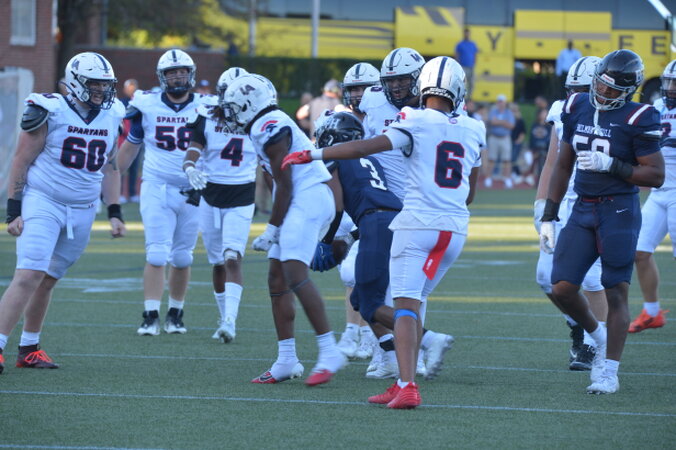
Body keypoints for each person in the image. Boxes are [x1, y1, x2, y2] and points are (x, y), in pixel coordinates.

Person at [283, 56, 484, 409]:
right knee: (411, 302)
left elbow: (365, 146)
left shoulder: (413, 119)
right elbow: (470, 192)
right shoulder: (473, 128)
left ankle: (406, 384)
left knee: (402, 307)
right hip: (455, 230)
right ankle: (404, 370)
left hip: (416, 223)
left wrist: (313, 155)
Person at [540, 49, 664, 394]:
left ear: (628, 91)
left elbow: (655, 175)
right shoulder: (576, 105)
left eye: (612, 89)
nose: (603, 92)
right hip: (583, 207)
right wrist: (549, 214)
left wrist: (613, 165)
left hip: (618, 211)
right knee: (561, 287)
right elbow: (562, 164)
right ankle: (599, 336)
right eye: (600, 84)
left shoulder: (640, 116)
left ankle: (609, 371)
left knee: (616, 291)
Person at [0, 52, 126, 373]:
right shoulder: (50, 109)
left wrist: (114, 210)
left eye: (105, 84)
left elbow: (110, 166)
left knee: (48, 279)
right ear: (75, 82)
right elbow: (21, 160)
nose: (102, 90)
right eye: (94, 84)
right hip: (43, 200)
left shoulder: (113, 113)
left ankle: (29, 348)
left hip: (84, 208)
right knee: (29, 274)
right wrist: (14, 210)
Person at [220, 73, 347, 386]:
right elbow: (276, 179)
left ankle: (329, 350)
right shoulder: (263, 126)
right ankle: (286, 359)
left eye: (234, 108)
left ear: (248, 105)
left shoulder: (269, 125)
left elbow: (287, 183)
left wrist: (272, 227)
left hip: (308, 196)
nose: (231, 115)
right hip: (299, 198)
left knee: (294, 273)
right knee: (276, 278)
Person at [117, 49, 211, 336]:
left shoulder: (207, 106)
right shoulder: (147, 104)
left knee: (182, 257)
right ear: (162, 77)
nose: (178, 77)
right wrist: (110, 179)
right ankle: (150, 315)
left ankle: (175, 313)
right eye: (172, 73)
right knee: (157, 254)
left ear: (191, 75)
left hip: (194, 190)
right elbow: (131, 146)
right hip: (157, 186)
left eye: (182, 72)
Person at [535, 56, 608, 371]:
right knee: (545, 277)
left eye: (581, 90)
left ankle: (594, 346)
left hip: (598, 202)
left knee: (591, 278)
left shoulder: (614, 115)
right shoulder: (561, 110)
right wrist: (541, 204)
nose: (574, 96)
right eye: (571, 90)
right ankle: (579, 323)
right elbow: (552, 162)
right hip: (563, 203)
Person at [182, 67, 256, 343]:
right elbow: (194, 148)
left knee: (232, 256)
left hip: (242, 195)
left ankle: (230, 321)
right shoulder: (207, 113)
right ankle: (223, 316)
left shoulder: (258, 119)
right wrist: (189, 167)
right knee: (216, 262)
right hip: (210, 195)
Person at [630, 59, 676, 333]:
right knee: (639, 251)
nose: (671, 88)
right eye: (669, 82)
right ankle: (652, 312)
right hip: (659, 193)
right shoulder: (656, 107)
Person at [485, 94, 515, 188]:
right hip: (494, 137)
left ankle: (506, 178)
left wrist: (498, 122)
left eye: (502, 102)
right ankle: (488, 178)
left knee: (507, 160)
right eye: (499, 102)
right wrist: (504, 122)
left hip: (505, 138)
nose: (500, 103)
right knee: (491, 159)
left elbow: (511, 126)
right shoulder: (493, 111)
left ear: (505, 103)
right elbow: (492, 122)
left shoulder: (509, 112)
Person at [119, 79, 141, 204]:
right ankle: (120, 193)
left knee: (134, 168)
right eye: (129, 88)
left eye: (133, 88)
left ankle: (132, 193)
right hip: (123, 139)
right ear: (125, 89)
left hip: (137, 139)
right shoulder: (121, 103)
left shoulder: (140, 102)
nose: (131, 90)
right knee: (120, 166)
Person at [455, 28, 479, 99]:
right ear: (464, 34)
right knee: (463, 83)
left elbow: (475, 54)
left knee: (471, 83)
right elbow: (457, 55)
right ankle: (462, 97)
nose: (467, 35)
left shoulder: (473, 44)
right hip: (463, 67)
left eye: (468, 33)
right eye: (465, 33)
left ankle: (470, 97)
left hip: (471, 66)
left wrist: (474, 63)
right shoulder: (460, 44)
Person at [510, 103, 526, 182]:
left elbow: (523, 132)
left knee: (514, 159)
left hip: (516, 142)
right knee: (510, 159)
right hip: (509, 142)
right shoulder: (510, 120)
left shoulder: (520, 120)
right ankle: (514, 173)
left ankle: (518, 173)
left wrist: (518, 141)